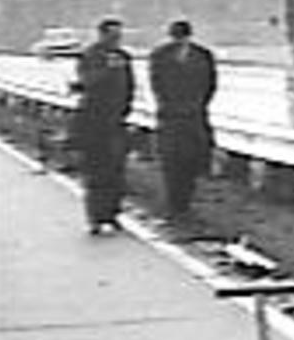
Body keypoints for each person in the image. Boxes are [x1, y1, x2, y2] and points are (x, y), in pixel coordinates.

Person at [149, 19, 218, 219]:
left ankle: (184, 201)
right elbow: (157, 85)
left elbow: (210, 84)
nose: (178, 41)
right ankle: (175, 203)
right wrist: (169, 104)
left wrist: (198, 104)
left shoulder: (203, 55)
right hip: (171, 115)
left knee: (191, 160)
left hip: (194, 114)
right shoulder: (160, 55)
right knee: (171, 161)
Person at [71, 18, 135, 234]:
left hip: (115, 121)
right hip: (93, 121)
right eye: (112, 35)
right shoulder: (90, 55)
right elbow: (87, 82)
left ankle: (113, 213)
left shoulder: (123, 57)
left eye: (119, 35)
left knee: (116, 169)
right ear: (102, 35)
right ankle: (96, 216)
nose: (116, 39)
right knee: (96, 169)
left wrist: (126, 109)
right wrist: (107, 70)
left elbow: (129, 85)